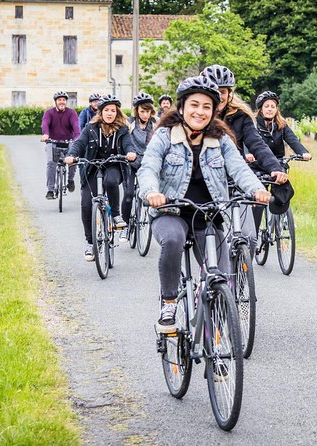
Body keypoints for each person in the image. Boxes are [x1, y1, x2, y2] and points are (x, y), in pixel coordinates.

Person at [137, 75, 270, 333]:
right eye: (194, 105)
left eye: (207, 107)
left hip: (208, 216)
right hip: (171, 212)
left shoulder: (221, 139)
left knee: (220, 279)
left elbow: (239, 169)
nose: (200, 111)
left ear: (214, 111)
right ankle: (169, 302)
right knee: (173, 240)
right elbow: (148, 166)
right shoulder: (165, 136)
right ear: (182, 106)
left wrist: (257, 190)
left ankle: (218, 342)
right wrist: (152, 192)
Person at [201, 64, 287, 249]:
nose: (219, 95)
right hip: (205, 182)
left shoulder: (240, 116)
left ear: (229, 92)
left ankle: (240, 273)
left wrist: (275, 169)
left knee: (248, 239)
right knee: (209, 239)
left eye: (223, 91)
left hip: (235, 179)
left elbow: (257, 144)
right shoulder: (197, 116)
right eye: (214, 90)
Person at [63, 94, 137, 261]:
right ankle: (90, 243)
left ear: (117, 112)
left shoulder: (122, 129)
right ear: (100, 112)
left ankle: (116, 215)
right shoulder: (90, 128)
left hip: (113, 165)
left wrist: (130, 152)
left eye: (113, 110)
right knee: (86, 205)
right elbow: (79, 144)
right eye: (106, 110)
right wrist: (71, 155)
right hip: (91, 167)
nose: (110, 113)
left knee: (110, 181)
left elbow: (128, 144)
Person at [119, 92, 159, 241]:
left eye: (148, 111)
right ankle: (125, 227)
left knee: (150, 195)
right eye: (142, 111)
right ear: (137, 111)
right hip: (130, 163)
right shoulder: (128, 123)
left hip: (148, 165)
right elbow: (122, 142)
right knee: (129, 196)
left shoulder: (156, 124)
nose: (145, 114)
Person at [41, 90, 80, 199]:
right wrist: (45, 134)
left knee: (73, 159)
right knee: (51, 163)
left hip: (68, 142)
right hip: (52, 142)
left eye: (64, 100)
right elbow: (45, 124)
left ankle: (70, 180)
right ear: (55, 102)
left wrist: (78, 137)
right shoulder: (49, 113)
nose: (62, 102)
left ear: (66, 101)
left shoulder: (71, 113)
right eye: (59, 100)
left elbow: (76, 126)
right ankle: (50, 190)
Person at [255, 90, 311, 160]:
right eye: (266, 106)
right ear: (261, 109)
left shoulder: (281, 125)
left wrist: (303, 152)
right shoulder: (253, 124)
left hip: (278, 162)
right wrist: (248, 154)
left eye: (273, 107)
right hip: (258, 162)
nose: (270, 109)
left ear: (276, 110)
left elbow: (292, 139)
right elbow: (247, 140)